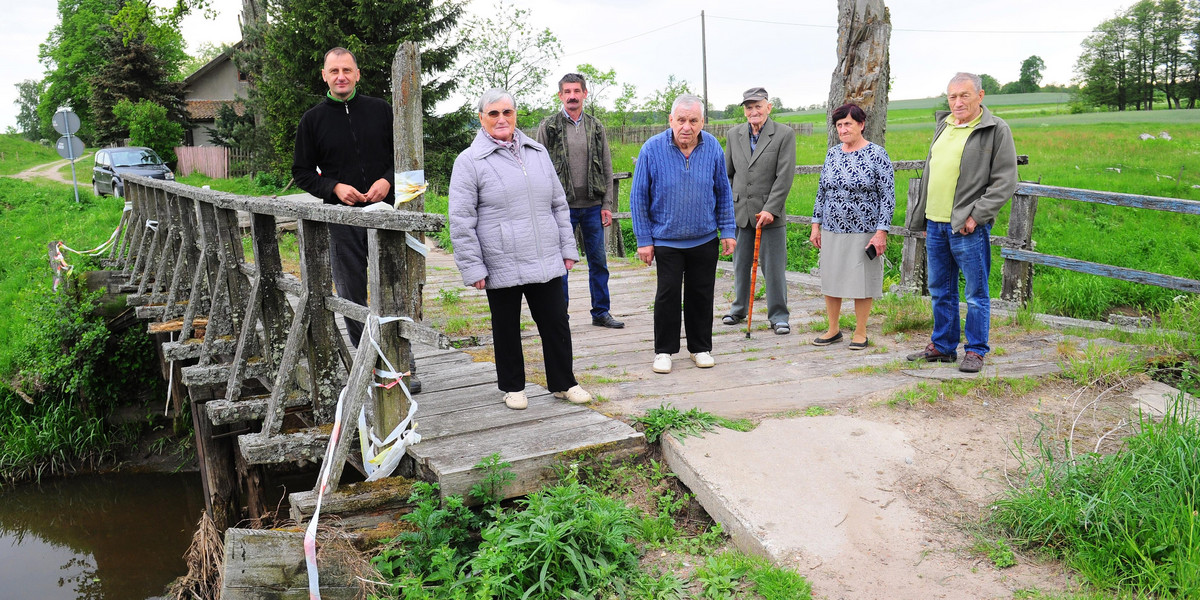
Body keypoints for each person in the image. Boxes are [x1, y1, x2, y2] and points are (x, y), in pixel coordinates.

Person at [448, 89, 592, 410]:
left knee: (556, 321)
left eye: (507, 112)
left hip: (545, 255)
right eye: (494, 114)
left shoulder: (537, 151)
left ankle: (563, 382)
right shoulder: (470, 161)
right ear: (482, 118)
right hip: (500, 259)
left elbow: (558, 203)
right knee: (506, 326)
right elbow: (461, 219)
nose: (502, 119)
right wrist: (472, 267)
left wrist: (567, 248)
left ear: (515, 115)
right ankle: (513, 386)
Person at [292, 47, 420, 392]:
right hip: (343, 217)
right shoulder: (313, 120)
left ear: (357, 74)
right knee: (351, 293)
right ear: (324, 76)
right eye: (333, 71)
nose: (341, 76)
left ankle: (404, 367)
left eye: (346, 70)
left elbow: (406, 154)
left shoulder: (380, 110)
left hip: (386, 216)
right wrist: (334, 187)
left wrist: (388, 180)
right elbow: (302, 172)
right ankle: (371, 366)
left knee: (395, 290)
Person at [905, 73, 1018, 373]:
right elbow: (933, 170)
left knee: (975, 292)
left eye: (964, 95)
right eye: (952, 96)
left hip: (967, 225)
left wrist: (976, 216)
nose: (957, 102)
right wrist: (925, 217)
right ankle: (943, 346)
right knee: (940, 289)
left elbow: (1005, 181)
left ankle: (976, 350)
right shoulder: (943, 125)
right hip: (936, 223)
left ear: (980, 96)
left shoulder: (995, 129)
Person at [629, 94, 736, 374]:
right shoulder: (651, 149)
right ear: (671, 120)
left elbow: (723, 191)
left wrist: (727, 230)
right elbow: (638, 197)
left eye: (693, 120)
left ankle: (700, 348)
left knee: (702, 294)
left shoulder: (712, 146)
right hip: (667, 239)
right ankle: (664, 351)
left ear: (702, 122)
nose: (686, 126)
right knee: (668, 295)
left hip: (704, 237)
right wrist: (644, 240)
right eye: (681, 120)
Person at [536, 73, 624, 329]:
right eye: (567, 92)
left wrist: (606, 204)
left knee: (598, 262)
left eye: (577, 91)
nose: (572, 96)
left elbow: (607, 167)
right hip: (560, 209)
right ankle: (559, 316)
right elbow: (539, 165)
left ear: (585, 93)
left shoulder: (596, 127)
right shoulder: (549, 126)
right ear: (560, 95)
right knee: (560, 265)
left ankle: (601, 312)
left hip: (593, 207)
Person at [809, 103, 895, 351]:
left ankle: (860, 331)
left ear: (861, 124)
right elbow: (821, 192)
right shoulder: (833, 154)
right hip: (832, 227)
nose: (843, 129)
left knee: (862, 281)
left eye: (848, 123)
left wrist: (881, 231)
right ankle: (833, 329)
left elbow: (887, 196)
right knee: (832, 277)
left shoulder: (877, 154)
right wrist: (816, 225)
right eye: (839, 125)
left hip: (864, 228)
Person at [723, 87, 796, 335]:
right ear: (744, 110)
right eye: (748, 107)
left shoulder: (784, 134)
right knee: (740, 265)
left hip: (770, 216)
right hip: (741, 212)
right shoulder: (734, 134)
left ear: (769, 107)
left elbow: (784, 176)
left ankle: (778, 316)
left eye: (758, 106)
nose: (753, 111)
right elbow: (727, 174)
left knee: (774, 268)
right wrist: (733, 201)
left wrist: (770, 209)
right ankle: (738, 309)